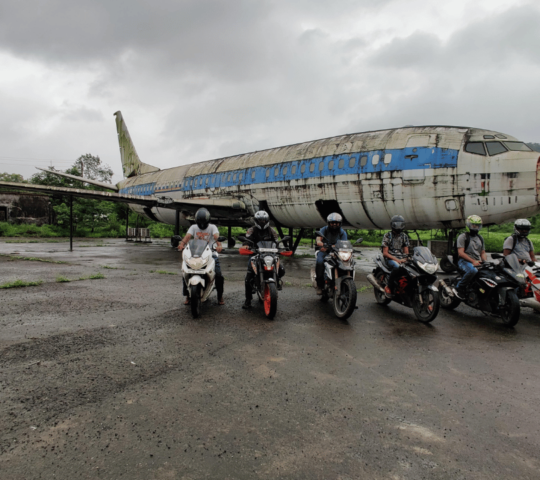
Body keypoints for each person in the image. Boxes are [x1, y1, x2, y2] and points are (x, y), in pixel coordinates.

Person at [178, 208, 224, 305]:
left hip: (210, 253)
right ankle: (187, 294)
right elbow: (187, 237)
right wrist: (182, 244)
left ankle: (220, 296)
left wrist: (219, 245)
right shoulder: (193, 227)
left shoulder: (212, 227)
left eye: (204, 222)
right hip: (195, 253)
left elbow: (216, 237)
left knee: (218, 274)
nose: (202, 225)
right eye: (200, 222)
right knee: (185, 272)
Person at [242, 210, 285, 309]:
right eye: (260, 220)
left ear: (267, 220)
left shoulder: (272, 231)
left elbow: (277, 242)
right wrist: (246, 245)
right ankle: (248, 300)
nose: (262, 222)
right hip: (255, 254)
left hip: (269, 254)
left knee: (281, 268)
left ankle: (277, 281)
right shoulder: (251, 230)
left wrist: (280, 248)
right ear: (256, 220)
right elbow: (246, 240)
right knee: (249, 275)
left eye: (264, 220)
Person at [452, 215, 487, 300]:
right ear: (468, 225)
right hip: (463, 261)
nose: (475, 227)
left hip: (476, 261)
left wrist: (485, 261)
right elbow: (460, 253)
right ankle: (459, 288)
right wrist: (473, 261)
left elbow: (483, 252)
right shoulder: (463, 237)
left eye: (477, 225)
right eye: (473, 225)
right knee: (472, 270)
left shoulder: (480, 238)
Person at [315, 213, 348, 295]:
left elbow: (345, 243)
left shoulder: (342, 232)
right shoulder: (324, 229)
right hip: (325, 251)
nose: (334, 224)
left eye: (336, 223)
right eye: (332, 222)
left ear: (340, 223)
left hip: (337, 252)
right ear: (329, 223)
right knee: (319, 262)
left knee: (347, 262)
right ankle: (320, 284)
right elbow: (318, 240)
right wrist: (321, 244)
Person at [381, 214, 410, 297]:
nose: (398, 227)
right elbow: (385, 253)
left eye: (400, 225)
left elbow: (406, 251)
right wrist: (397, 260)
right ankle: (388, 286)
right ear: (392, 225)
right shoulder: (387, 236)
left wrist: (406, 259)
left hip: (401, 258)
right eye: (396, 224)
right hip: (390, 258)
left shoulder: (404, 236)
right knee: (397, 267)